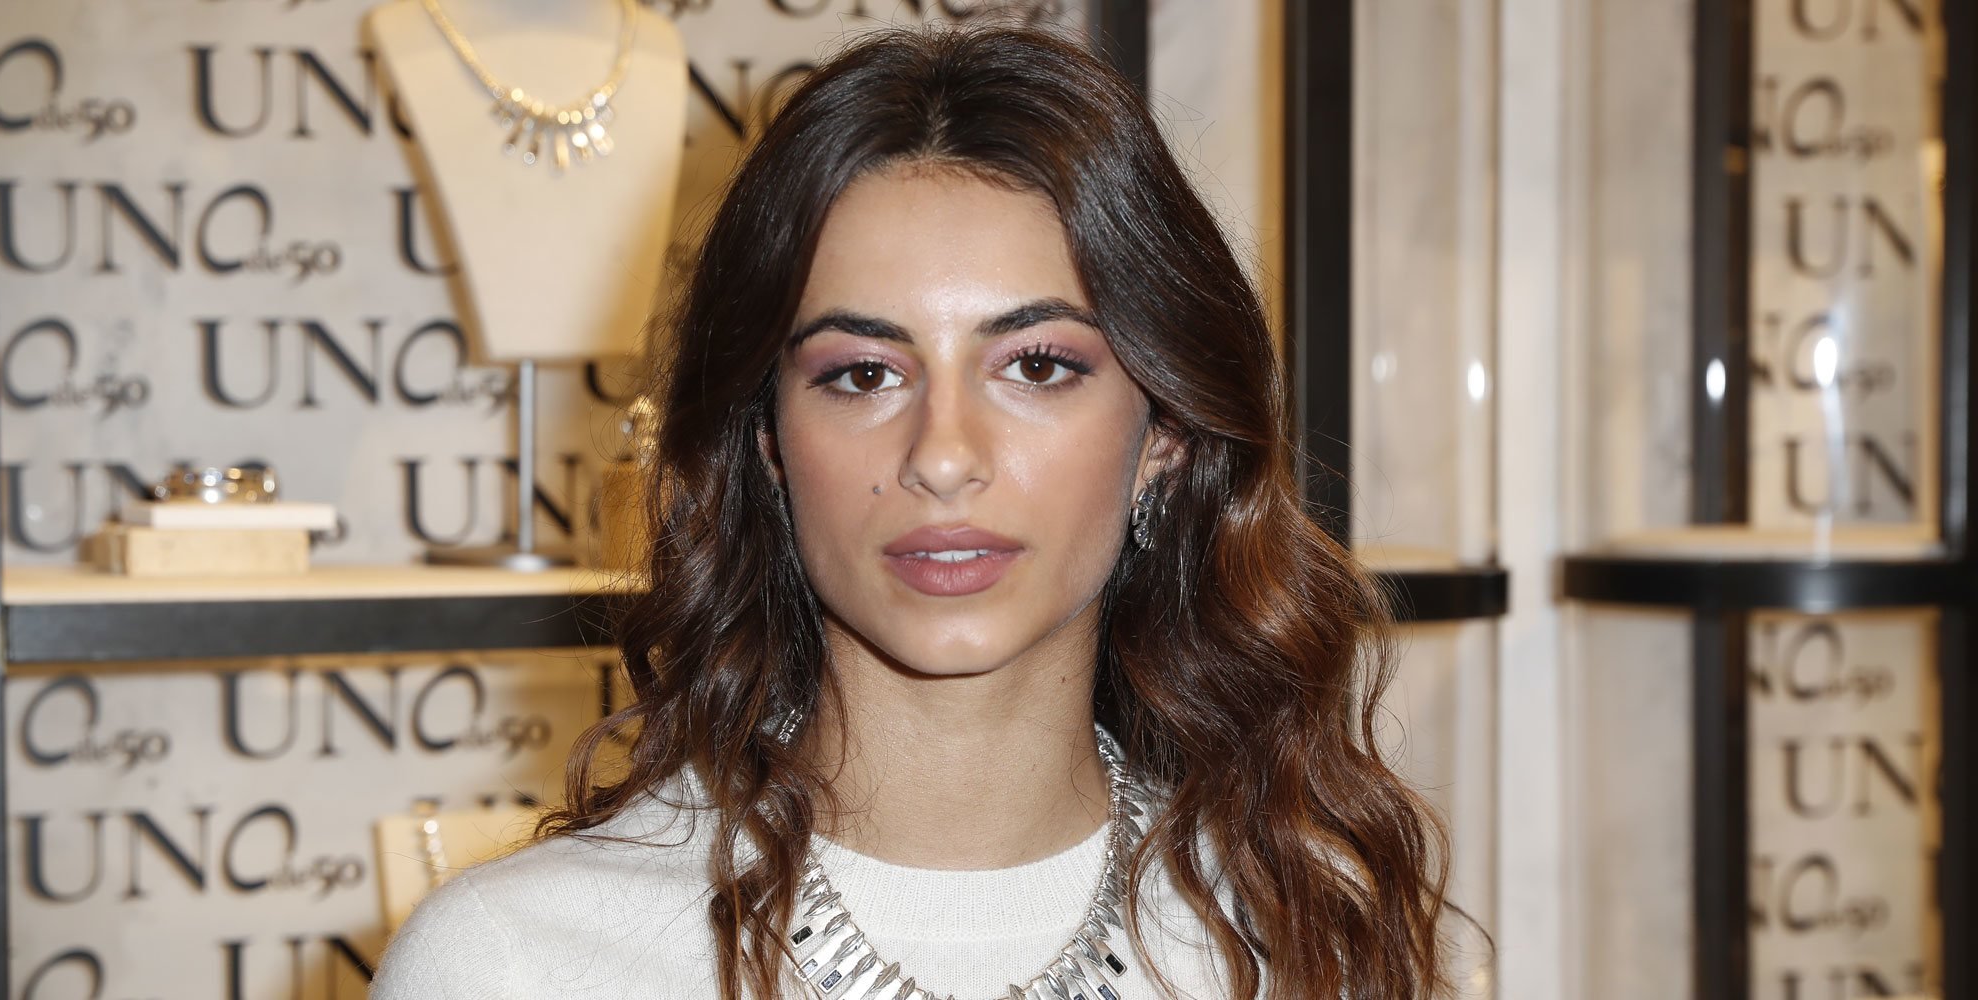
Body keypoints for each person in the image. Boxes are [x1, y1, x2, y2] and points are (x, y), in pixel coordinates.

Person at [372, 22, 1450, 1000]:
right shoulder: (512, 964)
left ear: (1163, 433)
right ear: (767, 442)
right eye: (862, 374)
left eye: (1036, 365)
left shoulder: (1312, 935)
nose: (942, 457)